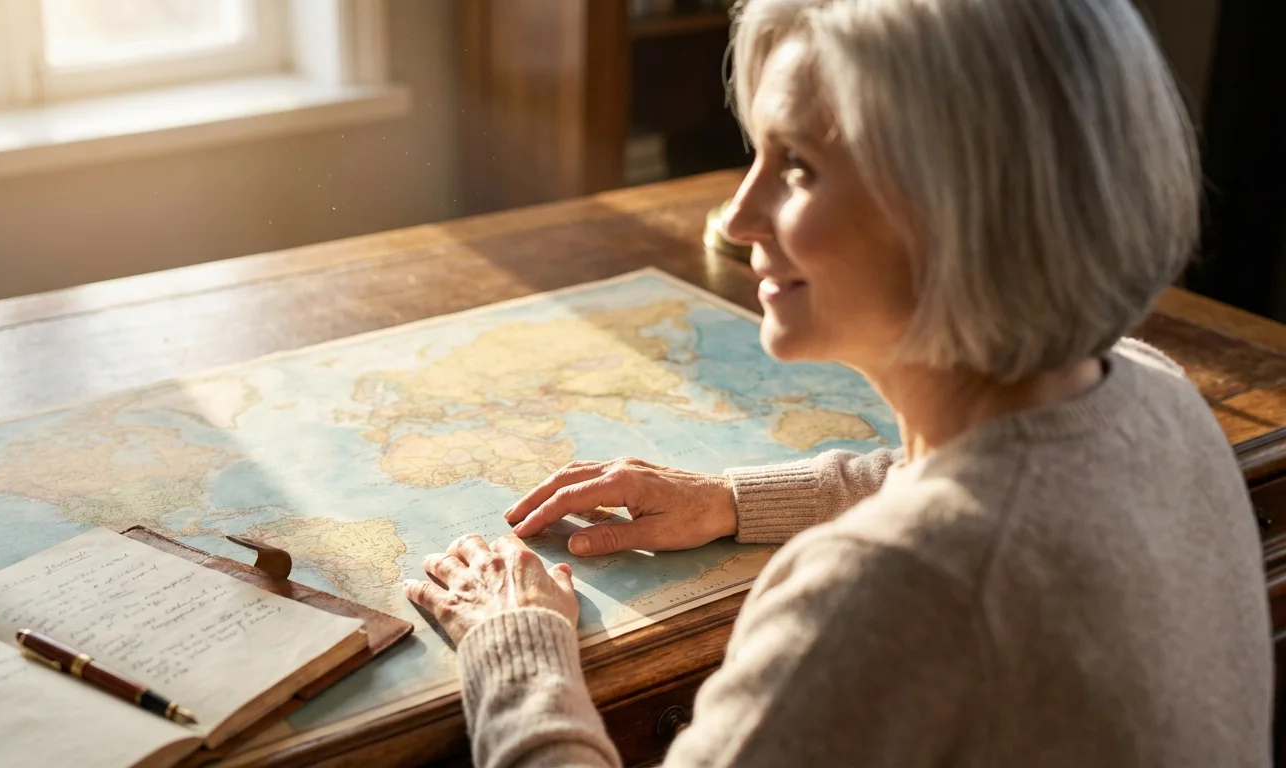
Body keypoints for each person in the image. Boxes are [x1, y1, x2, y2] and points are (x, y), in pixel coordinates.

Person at [404, 0, 1274, 764]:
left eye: (798, 168)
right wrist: (731, 500)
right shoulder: (1154, 394)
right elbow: (983, 484)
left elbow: (955, 546)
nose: (739, 217)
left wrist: (517, 650)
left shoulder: (880, 594)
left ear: (965, 202)